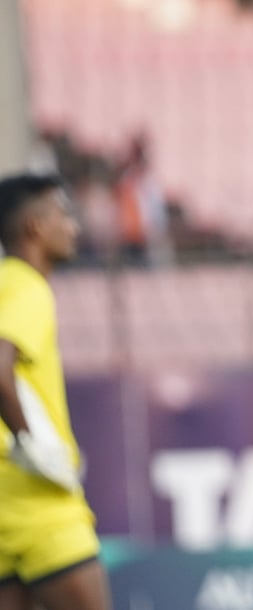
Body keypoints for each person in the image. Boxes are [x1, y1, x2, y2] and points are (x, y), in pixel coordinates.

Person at [0, 174, 112, 610]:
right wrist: (32, 443)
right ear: (35, 228)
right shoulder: (27, 285)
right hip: (40, 504)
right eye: (63, 214)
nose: (74, 226)